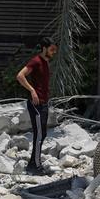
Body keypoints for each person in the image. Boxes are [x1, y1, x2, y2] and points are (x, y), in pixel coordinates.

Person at [15, 37, 58, 173]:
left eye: (55, 50)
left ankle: (33, 163)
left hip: (44, 104)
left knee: (42, 134)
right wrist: (32, 90)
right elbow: (20, 76)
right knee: (39, 135)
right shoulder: (36, 61)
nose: (53, 52)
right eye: (52, 49)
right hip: (36, 104)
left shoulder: (46, 62)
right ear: (44, 48)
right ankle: (36, 166)